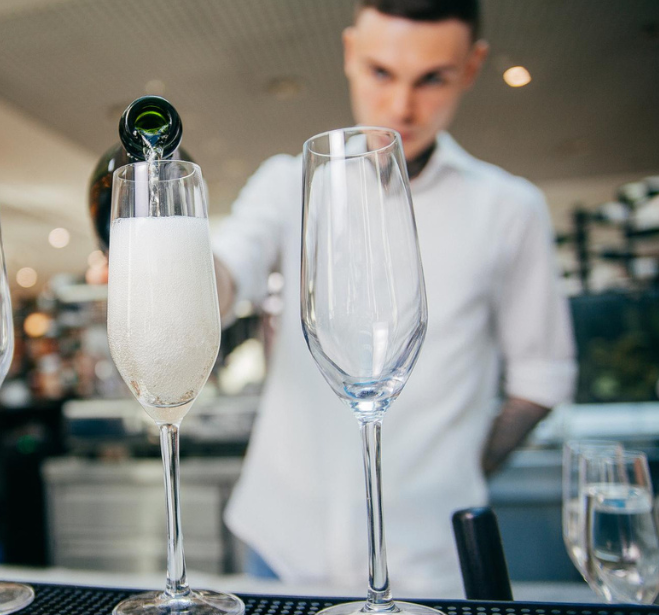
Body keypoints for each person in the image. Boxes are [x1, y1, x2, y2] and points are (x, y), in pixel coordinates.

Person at [212, 0, 578, 598]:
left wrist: (458, 469)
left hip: (431, 558)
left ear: (473, 65)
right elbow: (229, 269)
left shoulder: (510, 209)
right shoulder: (287, 185)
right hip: (280, 543)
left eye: (433, 78)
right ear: (351, 53)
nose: (403, 107)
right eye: (382, 72)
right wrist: (180, 272)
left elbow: (543, 376)